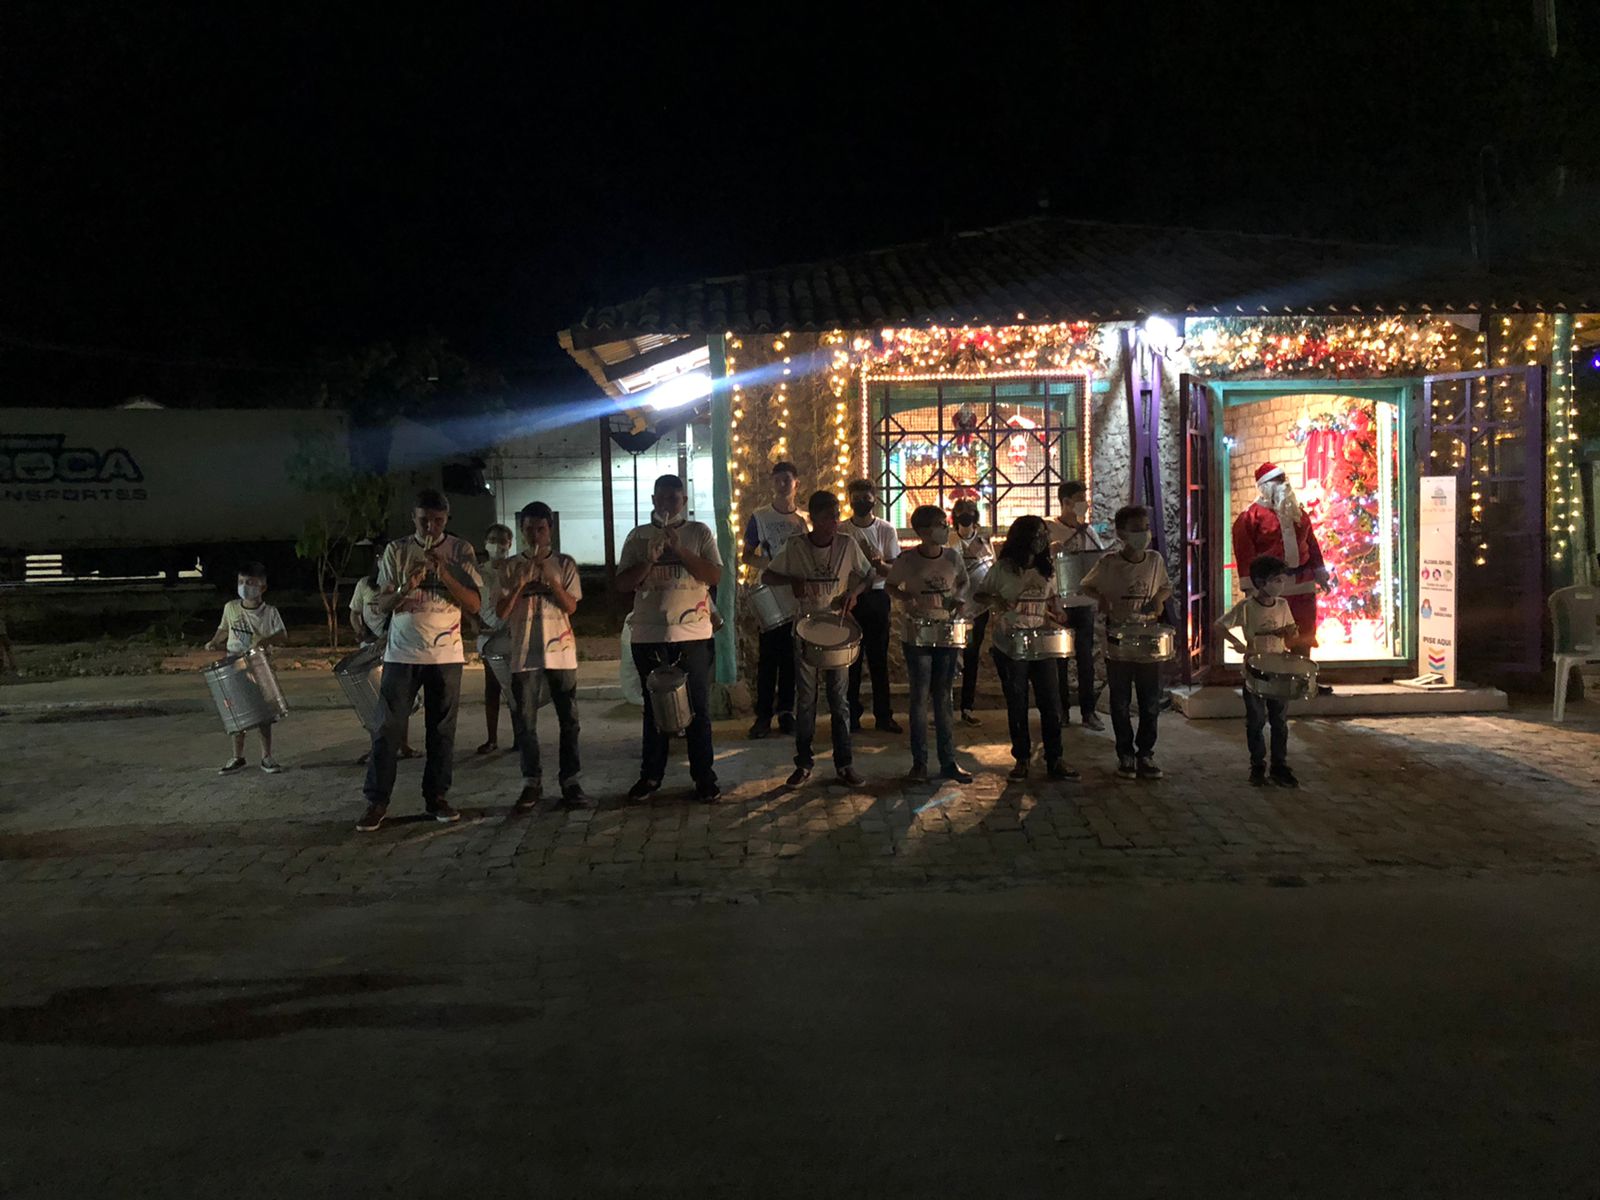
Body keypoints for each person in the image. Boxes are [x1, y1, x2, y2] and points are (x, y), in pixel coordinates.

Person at [355, 489, 483, 832]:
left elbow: (474, 604)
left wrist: (445, 574)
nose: (431, 527)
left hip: (446, 653)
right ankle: (377, 801)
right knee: (388, 728)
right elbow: (381, 605)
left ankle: (437, 797)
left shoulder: (461, 550)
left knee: (441, 730)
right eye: (424, 520)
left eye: (438, 521)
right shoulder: (397, 550)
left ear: (447, 519)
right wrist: (405, 587)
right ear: (413, 518)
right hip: (402, 653)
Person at [616, 474, 723, 803]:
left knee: (698, 708)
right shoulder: (638, 536)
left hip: (693, 633)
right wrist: (649, 559)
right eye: (661, 498)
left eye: (674, 499)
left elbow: (714, 575)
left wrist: (680, 550)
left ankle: (703, 776)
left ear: (684, 502)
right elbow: (622, 584)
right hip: (649, 634)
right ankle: (651, 776)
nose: (667, 504)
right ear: (653, 500)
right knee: (655, 708)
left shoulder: (699, 532)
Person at [765, 489, 871, 788]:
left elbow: (867, 574)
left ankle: (844, 763)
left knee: (839, 699)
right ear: (812, 518)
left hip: (837, 626)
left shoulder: (847, 544)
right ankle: (803, 762)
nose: (833, 522)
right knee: (806, 700)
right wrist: (792, 580)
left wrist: (854, 594)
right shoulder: (796, 546)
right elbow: (767, 576)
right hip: (806, 626)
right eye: (826, 518)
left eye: (836, 516)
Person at [495, 502, 586, 810]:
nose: (535, 535)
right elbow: (501, 613)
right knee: (525, 721)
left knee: (569, 719)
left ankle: (570, 779)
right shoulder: (510, 566)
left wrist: (552, 581)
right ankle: (531, 781)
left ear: (550, 530)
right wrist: (520, 585)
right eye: (529, 529)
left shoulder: (564, 563)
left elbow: (571, 606)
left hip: (560, 651)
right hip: (524, 652)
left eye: (541, 529)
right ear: (522, 530)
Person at [977, 516, 1077, 782]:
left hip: (1041, 644)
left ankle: (1055, 758)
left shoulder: (1047, 570)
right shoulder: (1002, 569)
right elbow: (981, 594)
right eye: (1037, 534)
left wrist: (1058, 613)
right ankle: (1021, 758)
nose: (1042, 539)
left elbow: (1054, 600)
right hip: (1010, 644)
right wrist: (998, 601)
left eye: (1044, 534)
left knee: (1050, 702)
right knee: (1017, 701)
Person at [1080, 505, 1173, 782]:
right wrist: (1103, 600)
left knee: (1150, 700)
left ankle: (1146, 753)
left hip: (1148, 635)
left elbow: (1165, 587)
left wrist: (1159, 600)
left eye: (1145, 528)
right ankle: (1125, 753)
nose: (1143, 534)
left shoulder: (1155, 560)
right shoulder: (1109, 563)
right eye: (1136, 529)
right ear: (1121, 533)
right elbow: (1086, 585)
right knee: (1120, 700)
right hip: (1118, 636)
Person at [887, 504, 973, 784]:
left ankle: (948, 761)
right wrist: (905, 599)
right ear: (923, 531)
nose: (945, 528)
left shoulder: (952, 556)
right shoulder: (908, 560)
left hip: (945, 631)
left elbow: (964, 582)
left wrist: (958, 599)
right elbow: (890, 585)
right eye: (939, 524)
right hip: (917, 634)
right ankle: (920, 762)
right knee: (919, 696)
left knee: (944, 696)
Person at [1217, 555, 1302, 789]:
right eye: (1276, 580)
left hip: (1279, 669)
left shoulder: (1282, 605)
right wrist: (1236, 643)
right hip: (1254, 670)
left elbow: (1292, 632)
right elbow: (1219, 625)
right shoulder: (1246, 607)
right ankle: (1257, 765)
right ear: (1261, 582)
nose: (1281, 585)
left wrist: (1292, 633)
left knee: (1280, 720)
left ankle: (1279, 765)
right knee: (1255, 720)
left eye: (1282, 580)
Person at [1230, 462, 1331, 658]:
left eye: (1283, 480)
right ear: (1265, 486)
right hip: (1270, 588)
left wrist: (1320, 572)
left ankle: (1301, 672)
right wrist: (1252, 587)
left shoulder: (1298, 514)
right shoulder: (1250, 517)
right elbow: (1245, 554)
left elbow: (1312, 544)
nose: (1283, 484)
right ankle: (1268, 673)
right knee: (1269, 636)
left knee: (1303, 634)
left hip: (1302, 584)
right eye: (1276, 481)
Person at [742, 461, 809, 740]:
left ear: (796, 483)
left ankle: (786, 712)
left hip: (796, 595)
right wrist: (769, 565)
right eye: (778, 480)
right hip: (770, 595)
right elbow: (747, 555)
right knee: (768, 658)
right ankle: (763, 715)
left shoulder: (804, 520)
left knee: (791, 658)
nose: (782, 485)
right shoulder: (760, 517)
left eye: (787, 480)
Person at [205, 560, 287, 775]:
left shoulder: (269, 612)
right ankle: (237, 756)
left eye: (250, 582)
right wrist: (214, 641)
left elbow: (282, 635)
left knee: (263, 713)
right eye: (241, 582)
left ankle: (266, 756)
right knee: (235, 711)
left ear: (262, 587)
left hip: (258, 664)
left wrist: (266, 642)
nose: (244, 586)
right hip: (233, 664)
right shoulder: (231, 608)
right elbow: (224, 628)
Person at [1044, 480, 1107, 731]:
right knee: (1059, 659)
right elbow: (1038, 562)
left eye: (1085, 499)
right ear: (1066, 502)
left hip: (1083, 603)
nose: (1084, 504)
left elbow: (1099, 561)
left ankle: (1088, 711)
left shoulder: (1089, 532)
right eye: (1080, 499)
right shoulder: (1050, 529)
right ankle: (1061, 710)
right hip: (1058, 603)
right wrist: (1050, 551)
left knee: (1085, 659)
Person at [842, 478, 902, 733]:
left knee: (878, 659)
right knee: (850, 661)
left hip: (877, 597)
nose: (861, 502)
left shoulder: (885, 529)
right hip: (850, 599)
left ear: (874, 499)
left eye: (865, 498)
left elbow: (893, 570)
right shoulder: (843, 530)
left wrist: (878, 563)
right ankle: (851, 716)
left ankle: (883, 716)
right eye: (856, 498)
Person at [349, 539, 415, 764]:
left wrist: (386, 638)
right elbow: (354, 612)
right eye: (380, 557)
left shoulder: (402, 584)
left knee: (399, 698)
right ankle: (377, 746)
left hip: (395, 646)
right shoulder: (364, 585)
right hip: (370, 647)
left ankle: (403, 744)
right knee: (373, 699)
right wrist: (360, 631)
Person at [475, 523, 519, 754]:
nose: (497, 545)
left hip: (512, 635)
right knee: (492, 687)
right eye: (492, 540)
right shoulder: (478, 572)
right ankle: (491, 738)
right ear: (485, 543)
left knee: (514, 689)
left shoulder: (516, 569)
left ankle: (520, 736)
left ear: (510, 544)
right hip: (488, 637)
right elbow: (467, 601)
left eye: (502, 541)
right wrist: (474, 623)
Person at [952, 497, 991, 726]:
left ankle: (967, 706)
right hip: (953, 607)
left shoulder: (984, 541)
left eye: (970, 512)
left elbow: (990, 567)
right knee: (949, 658)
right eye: (961, 513)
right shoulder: (949, 541)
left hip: (978, 608)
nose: (966, 517)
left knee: (972, 656)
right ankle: (943, 706)